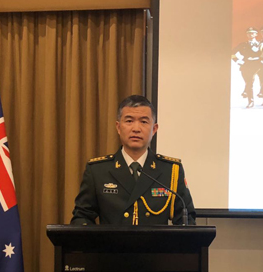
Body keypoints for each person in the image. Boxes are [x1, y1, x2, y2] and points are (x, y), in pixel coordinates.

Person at [70, 95, 196, 225]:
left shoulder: (170, 171)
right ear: (118, 127)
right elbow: (82, 217)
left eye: (144, 122)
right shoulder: (98, 171)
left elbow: (186, 220)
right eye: (129, 121)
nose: (136, 129)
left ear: (154, 129)